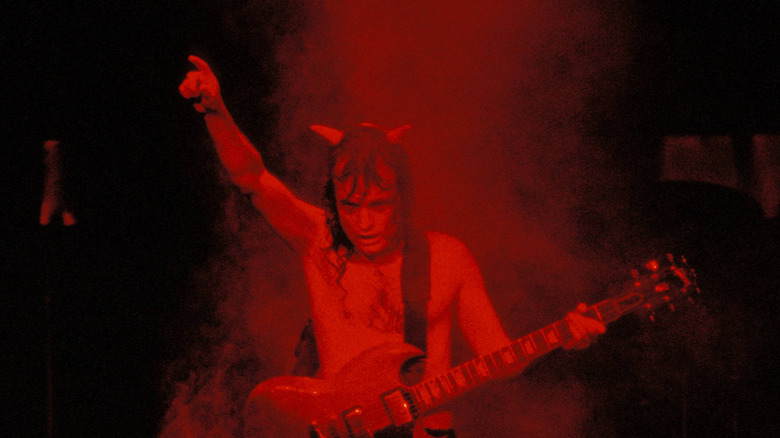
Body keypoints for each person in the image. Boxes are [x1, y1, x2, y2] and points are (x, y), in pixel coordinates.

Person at [179, 55, 606, 437]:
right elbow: (251, 178)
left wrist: (564, 335)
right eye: (350, 206)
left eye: (379, 206)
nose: (364, 223)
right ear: (333, 200)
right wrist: (216, 112)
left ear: (401, 196)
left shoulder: (447, 257)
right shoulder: (317, 238)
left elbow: (500, 356)